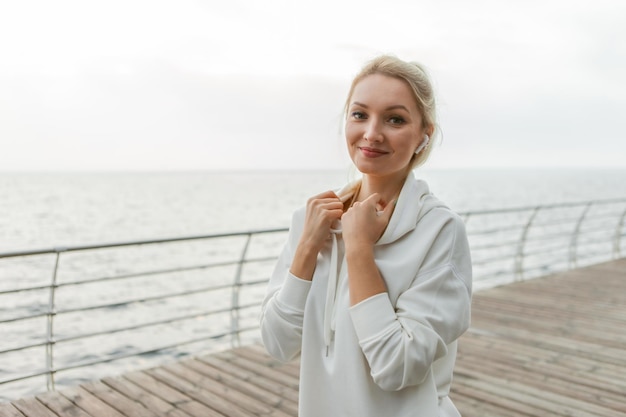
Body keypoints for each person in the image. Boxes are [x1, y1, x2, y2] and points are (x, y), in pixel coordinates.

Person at [260, 54, 472, 417]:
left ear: (425, 134)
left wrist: (358, 249)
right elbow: (278, 343)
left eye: (395, 119)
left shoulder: (440, 230)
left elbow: (398, 367)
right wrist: (307, 249)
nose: (372, 133)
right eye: (360, 114)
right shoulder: (310, 221)